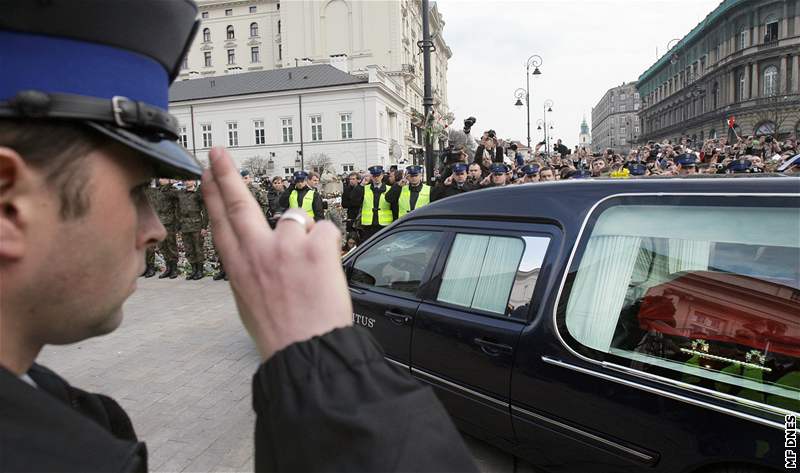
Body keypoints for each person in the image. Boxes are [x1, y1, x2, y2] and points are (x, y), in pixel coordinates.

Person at [0, 3, 477, 472]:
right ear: (9, 204)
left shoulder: (62, 413)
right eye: (135, 192)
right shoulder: (62, 453)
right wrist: (318, 356)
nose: (154, 229)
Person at [349, 165, 392, 242]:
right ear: (371, 176)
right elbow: (353, 198)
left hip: (384, 225)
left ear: (382, 176)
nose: (376, 178)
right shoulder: (365, 188)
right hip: (368, 226)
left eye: (378, 175)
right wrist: (361, 185)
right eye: (374, 176)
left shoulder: (389, 189)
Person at [177, 180, 208, 280]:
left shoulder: (198, 194)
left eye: (189, 180)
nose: (187, 182)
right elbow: (177, 209)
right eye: (185, 180)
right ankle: (193, 269)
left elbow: (205, 211)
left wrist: (204, 227)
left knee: (198, 249)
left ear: (194, 182)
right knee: (188, 249)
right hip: (185, 226)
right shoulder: (181, 194)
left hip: (196, 225)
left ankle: (200, 271)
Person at [340, 172, 361, 238]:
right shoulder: (347, 189)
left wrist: (351, 202)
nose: (351, 181)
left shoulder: (361, 189)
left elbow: (361, 202)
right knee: (351, 235)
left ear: (358, 180)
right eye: (350, 179)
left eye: (353, 179)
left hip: (360, 215)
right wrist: (355, 203)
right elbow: (344, 204)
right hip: (351, 215)